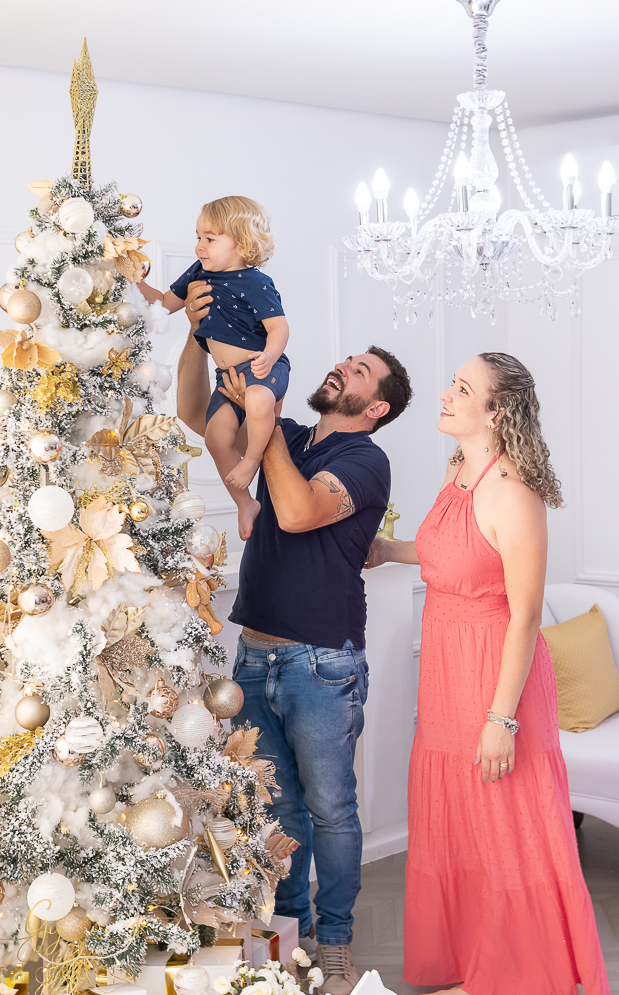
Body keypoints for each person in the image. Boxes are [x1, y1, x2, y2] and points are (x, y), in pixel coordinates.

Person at [176, 288, 413, 995]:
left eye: (361, 371)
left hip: (321, 664)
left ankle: (334, 943)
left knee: (330, 808)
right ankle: (291, 927)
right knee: (278, 809)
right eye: (346, 358)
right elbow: (195, 415)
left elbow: (302, 510)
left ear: (376, 408)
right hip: (250, 657)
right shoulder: (294, 434)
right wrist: (198, 337)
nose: (342, 366)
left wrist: (266, 422)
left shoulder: (365, 461)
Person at [367, 352, 609, 995]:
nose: (445, 394)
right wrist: (392, 550)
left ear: (495, 413)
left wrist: (501, 719)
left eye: (463, 389)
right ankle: (472, 960)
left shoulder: (513, 493)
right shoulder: (459, 475)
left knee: (504, 822)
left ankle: (515, 973)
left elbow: (526, 615)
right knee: (462, 823)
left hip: (493, 675)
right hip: (447, 670)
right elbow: (457, 553)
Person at [138, 196, 290, 539]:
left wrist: (268, 355)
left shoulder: (256, 283)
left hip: (261, 368)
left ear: (242, 242)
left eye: (210, 238)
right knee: (216, 438)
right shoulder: (199, 273)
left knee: (256, 403)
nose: (199, 247)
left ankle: (250, 461)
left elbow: (279, 327)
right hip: (227, 377)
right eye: (198, 237)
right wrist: (130, 279)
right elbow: (163, 303)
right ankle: (244, 503)